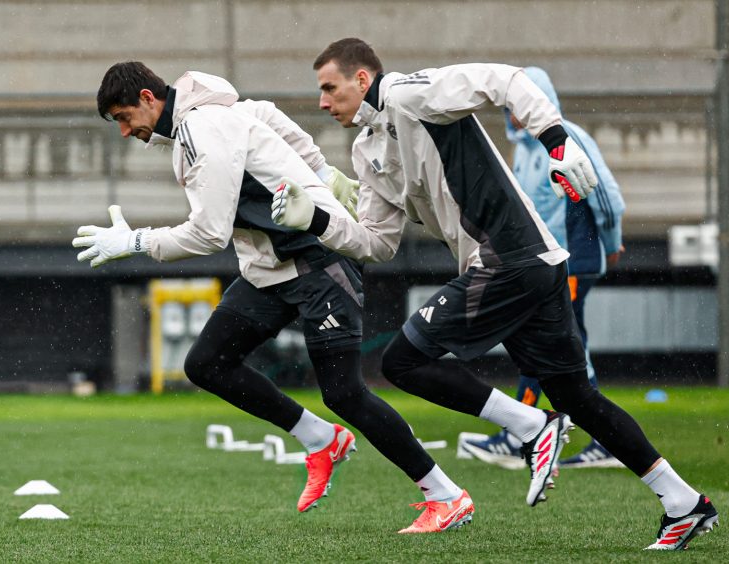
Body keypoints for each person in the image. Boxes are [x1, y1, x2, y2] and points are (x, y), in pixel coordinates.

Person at [272, 38, 718, 550]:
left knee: (402, 362)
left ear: (363, 80)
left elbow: (507, 80)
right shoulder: (366, 150)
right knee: (577, 396)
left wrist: (556, 140)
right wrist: (319, 220)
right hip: (531, 265)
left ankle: (531, 426)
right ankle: (684, 503)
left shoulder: (412, 94)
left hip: (510, 258)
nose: (323, 102)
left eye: (330, 88)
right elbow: (378, 243)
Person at [76, 61, 474, 533]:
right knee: (207, 363)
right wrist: (326, 175)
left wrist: (135, 243)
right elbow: (277, 124)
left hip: (318, 260)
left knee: (345, 393)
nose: (125, 132)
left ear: (148, 98)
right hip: (272, 269)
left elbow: (208, 234)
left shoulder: (203, 125)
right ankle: (320, 440)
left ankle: (446, 495)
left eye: (124, 117)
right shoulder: (211, 116)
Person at [463, 67, 627, 471]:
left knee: (556, 343)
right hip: (544, 265)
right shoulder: (522, 146)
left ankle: (539, 435)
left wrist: (611, 243)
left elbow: (606, 197)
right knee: (553, 342)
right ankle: (541, 433)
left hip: (573, 260)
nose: (516, 113)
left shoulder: (567, 136)